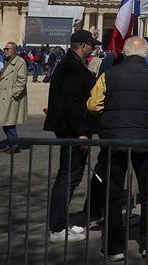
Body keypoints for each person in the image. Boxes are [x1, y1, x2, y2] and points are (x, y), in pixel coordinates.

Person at [87, 36, 148, 260]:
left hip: (114, 140)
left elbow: (93, 105)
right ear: (146, 54)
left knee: (113, 195)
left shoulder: (108, 75)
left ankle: (114, 247)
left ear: (124, 53)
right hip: (144, 140)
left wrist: (109, 118)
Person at [44, 30, 98, 244]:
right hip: (73, 131)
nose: (93, 48)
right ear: (83, 46)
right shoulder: (73, 67)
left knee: (68, 177)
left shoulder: (70, 64)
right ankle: (57, 228)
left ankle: (59, 223)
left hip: (70, 129)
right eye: (91, 45)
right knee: (68, 178)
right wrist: (82, 133)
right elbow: (72, 103)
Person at [0, 41, 28, 154]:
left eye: (8, 49)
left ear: (14, 50)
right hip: (4, 95)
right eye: (5, 49)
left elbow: (22, 80)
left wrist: (13, 93)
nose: (5, 51)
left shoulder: (19, 62)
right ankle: (10, 144)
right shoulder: (7, 61)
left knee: (9, 123)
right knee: (5, 123)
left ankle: (15, 145)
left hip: (11, 97)